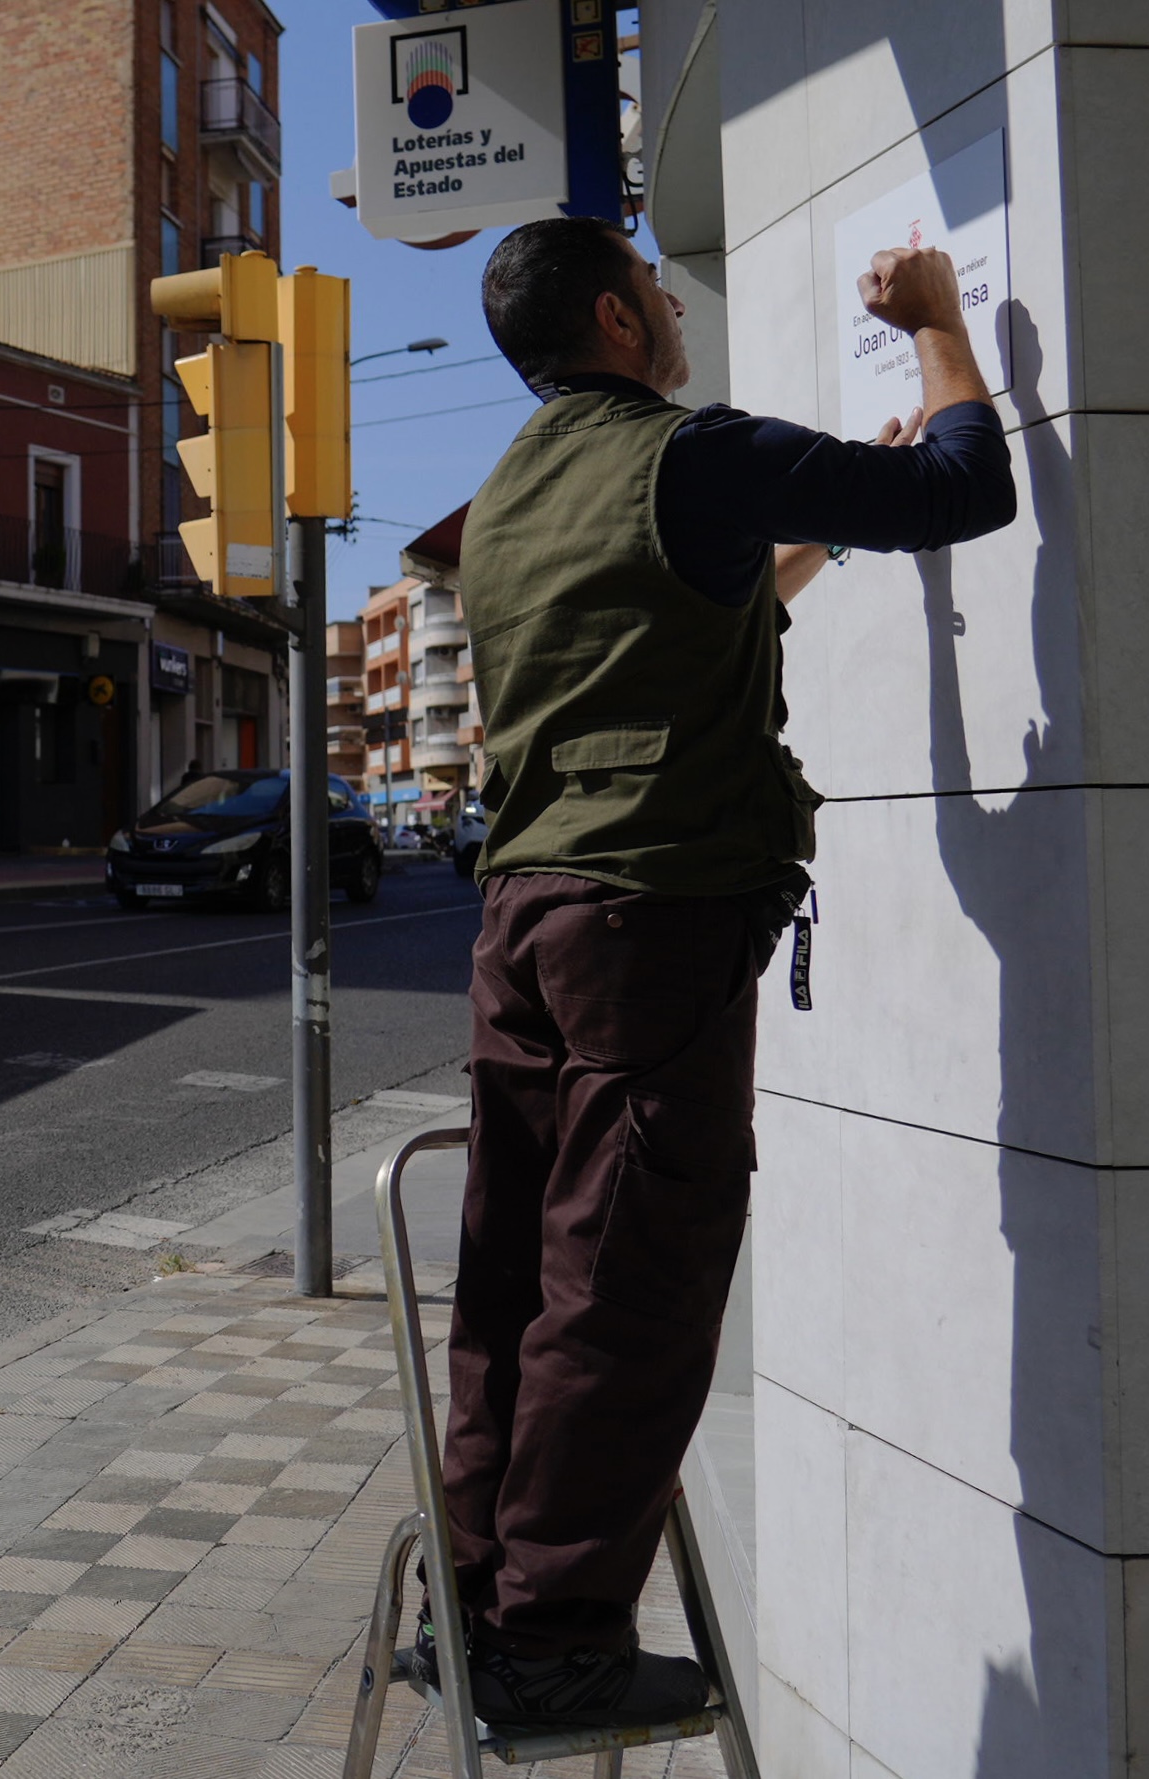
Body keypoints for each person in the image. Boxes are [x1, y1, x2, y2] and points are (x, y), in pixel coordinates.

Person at [430, 219, 1016, 1730]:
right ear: (620, 317)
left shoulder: (506, 498)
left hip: (523, 917)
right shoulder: (693, 452)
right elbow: (967, 487)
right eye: (656, 285)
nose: (675, 303)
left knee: (512, 1277)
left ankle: (471, 1605)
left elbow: (695, 607)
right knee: (626, 1283)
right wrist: (936, 322)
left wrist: (818, 529)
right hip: (648, 923)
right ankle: (553, 1642)